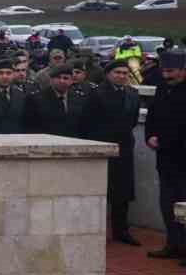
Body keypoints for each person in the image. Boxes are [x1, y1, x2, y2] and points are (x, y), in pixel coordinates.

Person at [78, 60, 143, 246]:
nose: (122, 76)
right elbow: (86, 122)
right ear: (108, 74)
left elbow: (132, 120)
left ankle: (121, 230)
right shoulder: (97, 94)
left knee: (122, 192)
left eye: (125, 73)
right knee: (99, 190)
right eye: (118, 72)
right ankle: (93, 230)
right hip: (101, 146)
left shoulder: (132, 93)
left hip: (124, 147)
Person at [145, 50, 186, 262]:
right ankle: (174, 243)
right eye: (164, 71)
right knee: (167, 203)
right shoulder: (162, 88)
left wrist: (167, 142)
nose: (166, 75)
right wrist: (149, 136)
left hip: (182, 158)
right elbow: (152, 115)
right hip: (165, 158)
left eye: (171, 71)